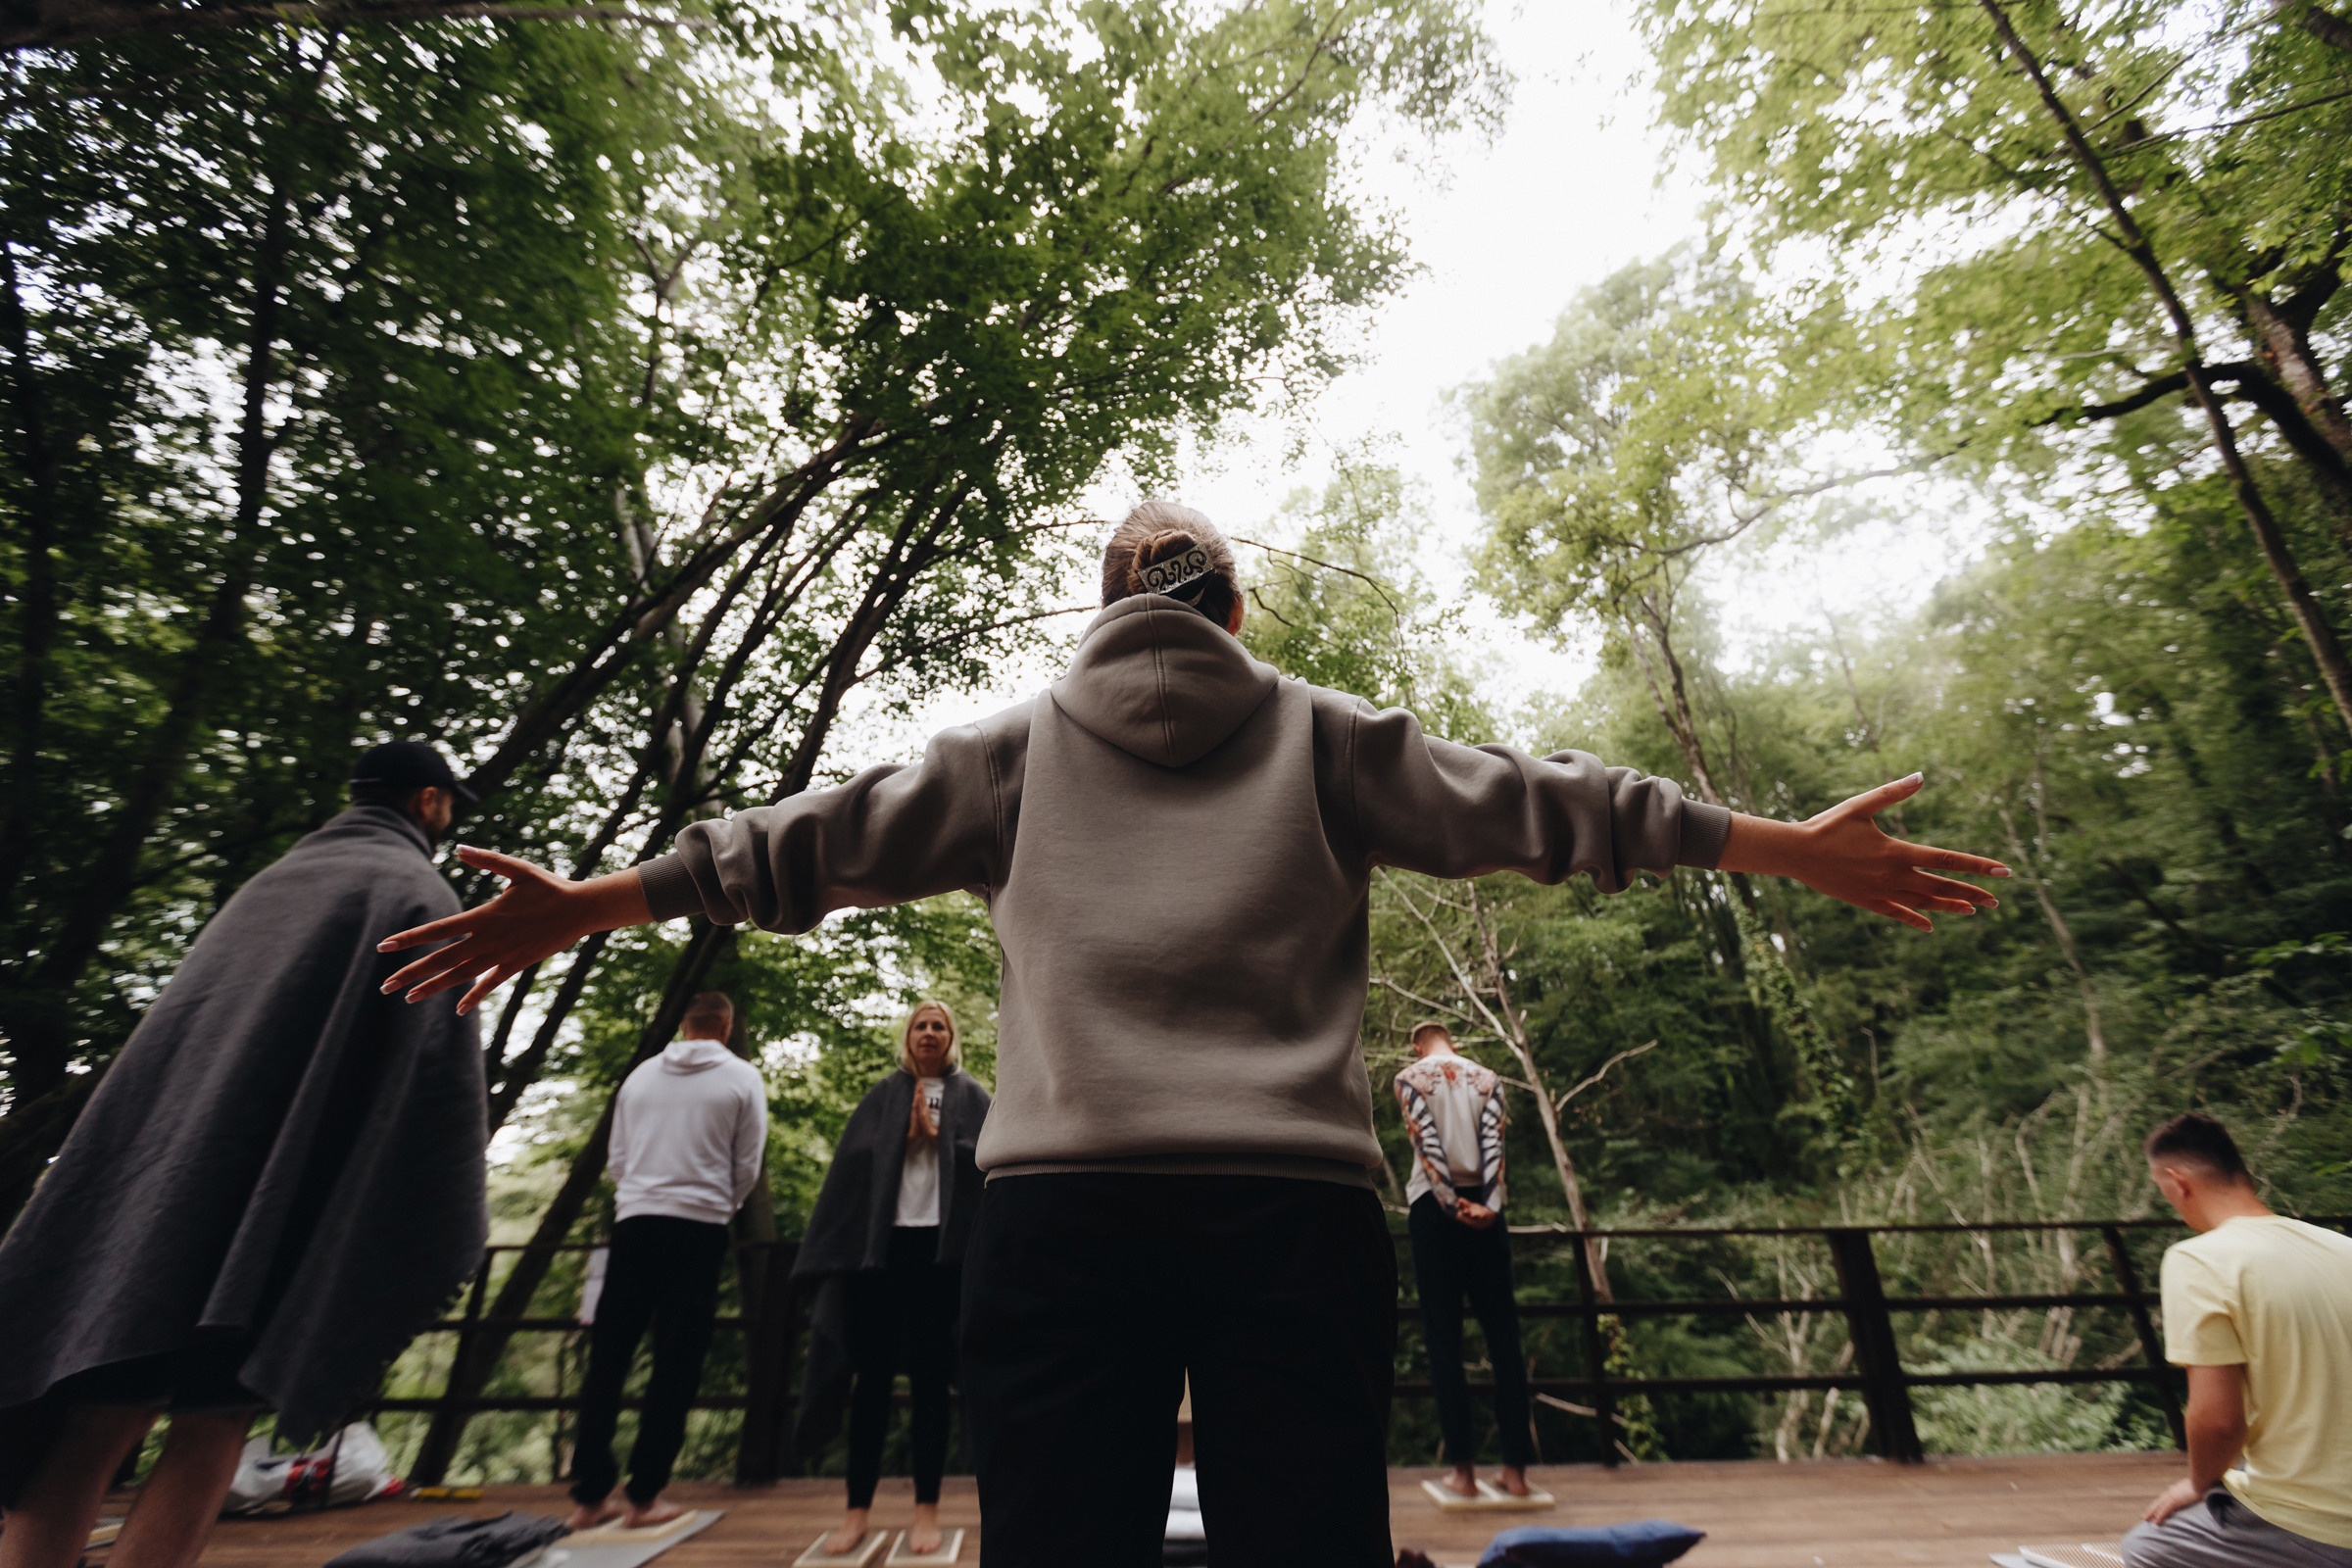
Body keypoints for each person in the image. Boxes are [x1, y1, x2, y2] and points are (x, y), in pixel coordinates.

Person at [376, 502, 2008, 1568]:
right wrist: (1781, 845)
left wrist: (591, 902)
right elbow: (1553, 807)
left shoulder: (1008, 755)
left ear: (1105, 612)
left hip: (1063, 1212)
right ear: (1234, 606)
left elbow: (800, 840)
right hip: (1289, 1212)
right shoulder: (1320, 737)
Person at [0, 741, 488, 1568]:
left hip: (150, 1202)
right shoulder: (413, 891)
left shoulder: (268, 888)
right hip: (273, 1206)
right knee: (216, 1414)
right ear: (430, 803)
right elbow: (427, 1088)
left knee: (99, 1405)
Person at [795, 1002, 991, 1560]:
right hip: (879, 1255)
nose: (929, 1033)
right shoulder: (884, 1095)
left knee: (932, 1384)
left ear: (950, 1038)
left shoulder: (971, 1095)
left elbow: (989, 1163)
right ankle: (855, 1512)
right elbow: (851, 1166)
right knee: (872, 1382)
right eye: (920, 1026)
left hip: (940, 1255)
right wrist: (896, 1142)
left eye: (939, 1026)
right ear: (908, 1038)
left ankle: (926, 1511)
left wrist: (939, 1140)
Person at [568, 991, 767, 1530]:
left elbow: (618, 1159)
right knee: (676, 1362)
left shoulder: (639, 1077)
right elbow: (747, 1162)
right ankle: (645, 1497)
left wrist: (639, 1196)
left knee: (608, 1357)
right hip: (699, 1227)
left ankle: (589, 1498)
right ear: (725, 1028)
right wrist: (720, 1205)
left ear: (684, 1027)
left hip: (633, 1223)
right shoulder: (742, 1078)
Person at [2121, 1113, 2352, 1568]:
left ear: (2177, 1182)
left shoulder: (2199, 1260)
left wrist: (2196, 1482)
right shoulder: (2340, 1248)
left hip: (2320, 1527)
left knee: (2147, 1546)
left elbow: (2220, 1420)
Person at [1396, 1021, 1534, 1499]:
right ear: (1452, 1041)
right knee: (1504, 1338)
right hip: (1485, 1208)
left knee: (1443, 1339)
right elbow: (1495, 1149)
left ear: (1418, 1044)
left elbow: (1427, 1147)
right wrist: (1488, 1208)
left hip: (1434, 1210)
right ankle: (1515, 1474)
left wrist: (1452, 1207)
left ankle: (1464, 1473)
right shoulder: (1487, 1079)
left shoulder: (1410, 1078)